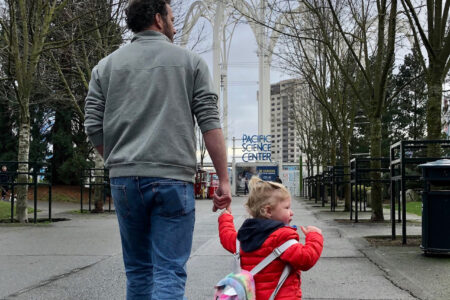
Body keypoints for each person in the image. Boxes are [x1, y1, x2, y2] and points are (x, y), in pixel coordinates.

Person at [84, 1, 232, 299]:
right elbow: (209, 124)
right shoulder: (191, 63)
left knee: (138, 271)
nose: (175, 26)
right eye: (172, 19)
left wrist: (115, 160)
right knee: (169, 271)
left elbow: (92, 124)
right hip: (172, 179)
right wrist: (224, 180)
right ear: (158, 19)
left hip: (125, 178)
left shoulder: (106, 66)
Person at [218, 177, 323, 299]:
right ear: (268, 211)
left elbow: (226, 236)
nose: (292, 212)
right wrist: (315, 236)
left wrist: (225, 217)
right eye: (287, 208)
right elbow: (306, 259)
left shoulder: (243, 237)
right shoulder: (282, 237)